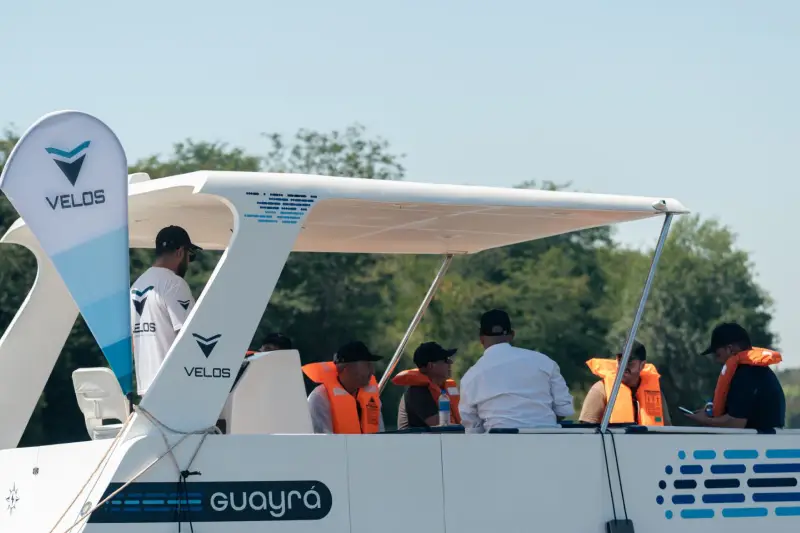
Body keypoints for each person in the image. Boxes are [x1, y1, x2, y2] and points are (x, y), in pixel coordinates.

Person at [458, 309, 574, 432]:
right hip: (547, 441)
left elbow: (471, 425)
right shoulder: (544, 362)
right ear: (512, 335)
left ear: (481, 339)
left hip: (498, 445)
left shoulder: (471, 376)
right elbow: (564, 409)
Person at [131, 225, 201, 396]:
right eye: (189, 256)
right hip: (173, 387)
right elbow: (188, 337)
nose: (188, 262)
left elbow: (133, 344)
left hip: (146, 387)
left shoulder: (136, 286)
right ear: (180, 252)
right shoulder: (174, 284)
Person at [684, 322, 785, 430]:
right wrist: (710, 412)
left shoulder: (747, 374)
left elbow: (736, 423)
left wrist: (704, 420)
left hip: (761, 441)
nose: (716, 360)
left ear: (730, 349)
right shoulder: (753, 370)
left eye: (718, 354)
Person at [579, 340, 671, 426]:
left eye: (629, 361)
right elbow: (586, 432)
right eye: (620, 360)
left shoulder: (655, 394)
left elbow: (667, 429)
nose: (623, 366)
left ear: (642, 365)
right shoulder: (600, 390)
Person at [302, 341, 385, 434]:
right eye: (367, 365)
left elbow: (380, 435)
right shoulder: (319, 399)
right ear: (346, 367)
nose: (372, 370)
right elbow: (323, 444)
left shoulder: (371, 398)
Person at [392, 341, 461, 430]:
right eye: (445, 360)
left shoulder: (442, 389)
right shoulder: (418, 393)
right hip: (417, 443)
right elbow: (442, 428)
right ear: (431, 365)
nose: (450, 363)